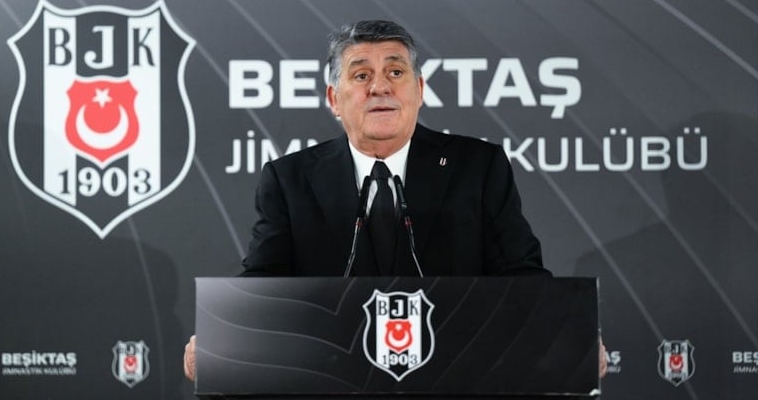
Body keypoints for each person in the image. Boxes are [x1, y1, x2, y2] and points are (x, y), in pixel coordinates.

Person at [184, 20, 605, 379]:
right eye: (361, 75)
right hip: (332, 381)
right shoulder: (289, 179)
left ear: (419, 89)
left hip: (456, 379)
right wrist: (223, 337)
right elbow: (266, 279)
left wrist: (567, 332)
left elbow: (520, 274)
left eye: (396, 72)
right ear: (334, 99)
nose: (380, 86)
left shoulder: (478, 167)